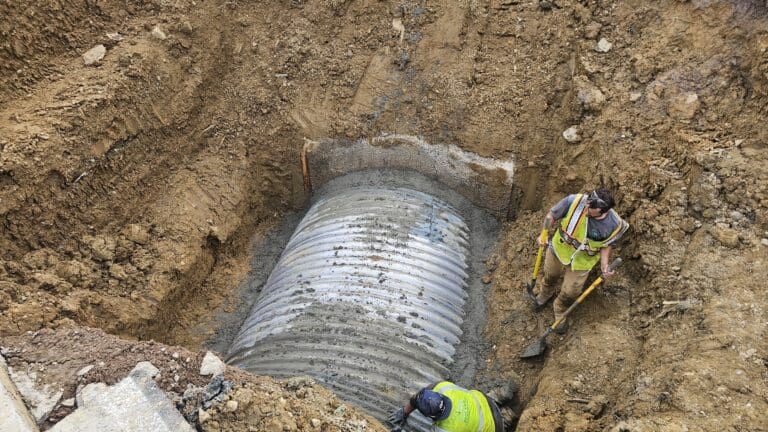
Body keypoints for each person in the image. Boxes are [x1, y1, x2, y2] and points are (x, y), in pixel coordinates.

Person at [530, 188, 629, 333]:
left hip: (582, 261)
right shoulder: (575, 201)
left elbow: (607, 245)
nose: (586, 207)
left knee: (570, 292)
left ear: (602, 211)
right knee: (550, 274)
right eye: (587, 203)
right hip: (559, 248)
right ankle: (545, 293)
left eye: (591, 208)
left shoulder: (614, 225)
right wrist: (543, 234)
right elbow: (552, 215)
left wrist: (604, 265)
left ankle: (559, 308)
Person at [388, 380, 505, 432]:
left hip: (494, 428)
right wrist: (404, 412)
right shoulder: (443, 387)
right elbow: (417, 398)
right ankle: (499, 397)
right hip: (484, 400)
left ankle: (507, 418)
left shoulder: (445, 429)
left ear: (431, 416)